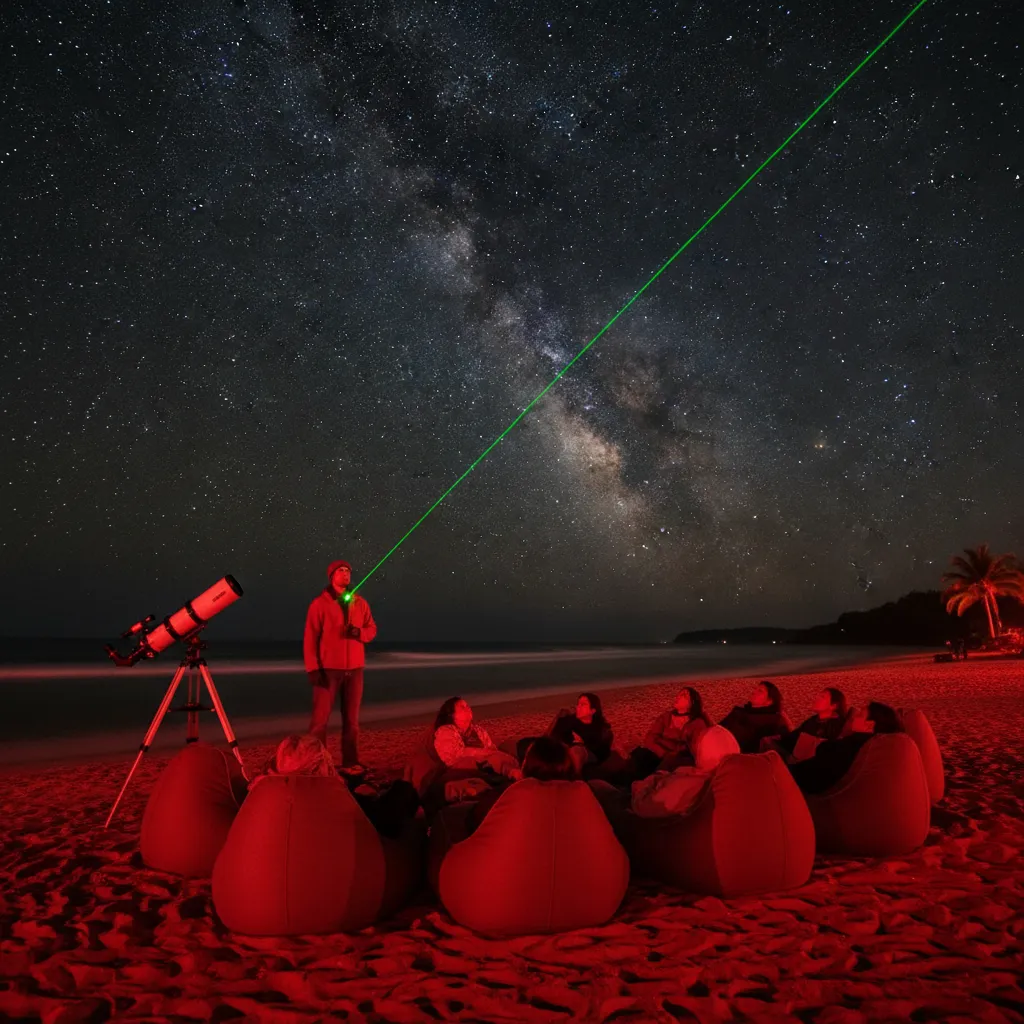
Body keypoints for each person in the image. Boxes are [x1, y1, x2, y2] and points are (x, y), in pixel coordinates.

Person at [258, 734, 418, 839]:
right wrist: (402, 787)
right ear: (321, 765)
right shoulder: (329, 799)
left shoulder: (267, 799)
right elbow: (387, 819)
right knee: (406, 803)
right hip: (349, 864)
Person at [303, 560, 377, 776]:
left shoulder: (360, 603)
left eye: (348, 571)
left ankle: (350, 762)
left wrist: (359, 634)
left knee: (352, 722)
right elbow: (310, 638)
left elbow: (372, 629)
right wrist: (313, 668)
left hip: (354, 671)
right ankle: (317, 764)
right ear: (331, 576)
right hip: (328, 670)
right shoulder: (319, 605)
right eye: (341, 571)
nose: (346, 574)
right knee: (319, 722)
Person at [464, 735, 577, 834]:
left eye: (526, 758)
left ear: (527, 766)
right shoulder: (579, 800)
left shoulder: (506, 800)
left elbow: (476, 819)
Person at [788, 701, 904, 795]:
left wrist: (844, 735)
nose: (854, 718)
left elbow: (824, 752)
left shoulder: (855, 743)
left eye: (860, 715)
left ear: (869, 725)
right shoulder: (873, 744)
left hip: (803, 785)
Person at [629, 686, 711, 779]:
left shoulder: (697, 723)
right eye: (679, 694)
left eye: (683, 695)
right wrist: (663, 753)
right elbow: (650, 738)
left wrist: (663, 743)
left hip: (680, 760)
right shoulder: (666, 717)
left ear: (692, 702)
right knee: (640, 755)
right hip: (658, 754)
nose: (678, 697)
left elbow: (694, 749)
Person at [550, 692, 619, 778]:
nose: (578, 707)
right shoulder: (568, 721)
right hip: (564, 752)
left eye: (583, 705)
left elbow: (601, 752)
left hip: (587, 755)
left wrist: (580, 743)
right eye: (578, 704)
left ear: (592, 711)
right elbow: (553, 737)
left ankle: (577, 777)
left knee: (577, 751)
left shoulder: (600, 729)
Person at [772, 687, 850, 761]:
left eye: (822, 697)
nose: (816, 698)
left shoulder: (835, 725)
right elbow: (796, 734)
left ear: (833, 706)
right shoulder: (814, 720)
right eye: (818, 696)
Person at [719, 681, 793, 754]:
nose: (754, 692)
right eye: (755, 690)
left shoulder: (772, 719)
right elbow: (719, 727)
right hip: (718, 740)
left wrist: (786, 720)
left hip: (737, 754)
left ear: (769, 701)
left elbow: (788, 742)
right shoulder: (738, 711)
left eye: (760, 691)